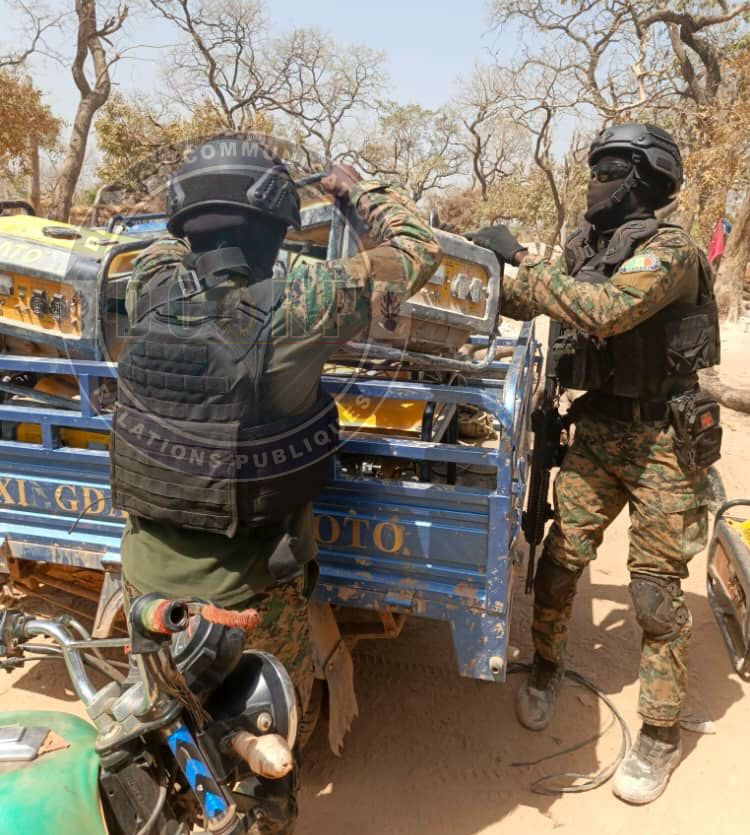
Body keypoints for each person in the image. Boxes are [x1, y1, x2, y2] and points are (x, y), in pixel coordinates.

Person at [111, 132, 441, 833]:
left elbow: (180, 245)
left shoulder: (146, 281)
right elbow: (416, 251)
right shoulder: (303, 293)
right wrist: (353, 190)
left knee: (165, 731)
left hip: (147, 579)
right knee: (269, 747)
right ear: (272, 221)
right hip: (252, 590)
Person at [470, 123, 720, 806]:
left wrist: (523, 256)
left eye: (608, 169)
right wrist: (479, 265)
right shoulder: (588, 248)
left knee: (654, 593)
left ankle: (660, 734)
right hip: (601, 427)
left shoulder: (671, 250)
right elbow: (535, 299)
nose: (594, 181)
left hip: (664, 442)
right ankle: (546, 667)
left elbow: (605, 311)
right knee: (559, 558)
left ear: (641, 180)